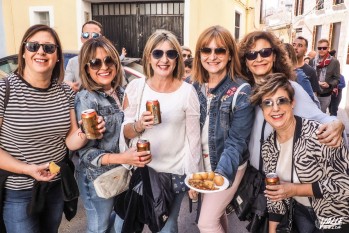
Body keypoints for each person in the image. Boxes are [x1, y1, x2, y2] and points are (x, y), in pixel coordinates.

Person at [0, 24, 105, 233]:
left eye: (48, 48)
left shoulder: (64, 91)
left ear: (57, 56)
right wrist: (27, 169)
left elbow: (70, 140)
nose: (40, 51)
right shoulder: (5, 89)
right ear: (24, 52)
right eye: (33, 46)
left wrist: (85, 131)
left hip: (56, 185)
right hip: (18, 190)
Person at [117, 29, 202, 232]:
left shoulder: (187, 92)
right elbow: (126, 132)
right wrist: (138, 125)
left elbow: (193, 140)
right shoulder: (136, 88)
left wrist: (192, 177)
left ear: (177, 59)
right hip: (143, 172)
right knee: (125, 225)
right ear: (149, 56)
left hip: (173, 174)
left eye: (171, 54)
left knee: (167, 228)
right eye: (158, 53)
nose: (164, 59)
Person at [250, 73, 349, 233]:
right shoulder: (268, 147)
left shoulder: (320, 135)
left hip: (333, 217)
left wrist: (295, 190)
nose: (275, 108)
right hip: (299, 217)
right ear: (262, 110)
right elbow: (276, 195)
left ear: (292, 103)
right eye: (268, 103)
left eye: (281, 100)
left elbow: (344, 185)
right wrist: (272, 229)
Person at [238, 30, 344, 176]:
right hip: (250, 177)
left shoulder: (290, 89)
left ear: (274, 56)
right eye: (251, 54)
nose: (259, 58)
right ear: (245, 61)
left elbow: (320, 118)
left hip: (278, 180)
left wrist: (336, 123)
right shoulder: (244, 92)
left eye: (265, 52)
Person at [74, 37, 151, 233]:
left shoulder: (124, 92)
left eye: (109, 60)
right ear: (86, 67)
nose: (104, 67)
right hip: (98, 178)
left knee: (118, 225)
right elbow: (86, 154)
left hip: (122, 174)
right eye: (95, 62)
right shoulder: (86, 98)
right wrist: (123, 157)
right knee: (99, 229)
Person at [189, 25, 254, 233]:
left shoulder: (241, 90)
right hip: (202, 163)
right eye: (206, 50)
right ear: (199, 55)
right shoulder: (194, 86)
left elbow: (236, 142)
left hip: (228, 165)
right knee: (215, 217)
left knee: (206, 222)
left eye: (220, 50)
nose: (213, 56)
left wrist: (219, 178)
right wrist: (193, 172)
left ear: (229, 55)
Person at [64, 20, 127, 92]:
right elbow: (67, 85)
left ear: (103, 39)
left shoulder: (113, 60)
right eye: (86, 35)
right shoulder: (73, 62)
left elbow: (123, 87)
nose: (90, 38)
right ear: (81, 38)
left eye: (95, 35)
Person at [309, 39, 340, 113]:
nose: (322, 50)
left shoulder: (334, 62)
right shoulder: (312, 61)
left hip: (325, 95)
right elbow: (309, 76)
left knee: (321, 115)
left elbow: (337, 78)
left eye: (324, 48)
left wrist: (329, 85)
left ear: (328, 48)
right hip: (313, 94)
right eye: (319, 48)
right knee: (311, 115)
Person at [328, 50, 346, 116]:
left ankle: (333, 122)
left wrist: (334, 86)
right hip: (329, 93)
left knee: (334, 110)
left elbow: (343, 84)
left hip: (336, 95)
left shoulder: (340, 76)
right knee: (330, 109)